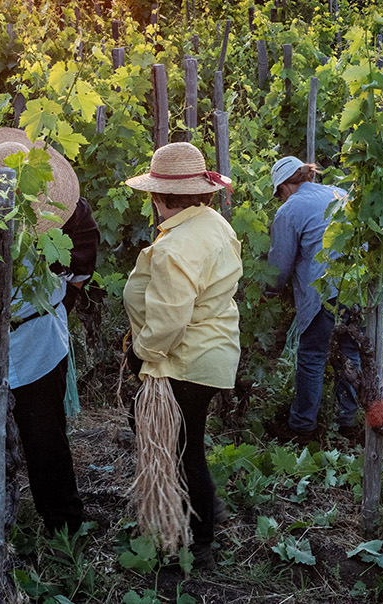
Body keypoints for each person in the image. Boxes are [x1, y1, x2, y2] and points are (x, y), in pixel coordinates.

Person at [0, 126, 88, 540]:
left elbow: (82, 268)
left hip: (38, 341)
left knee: (45, 439)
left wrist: (53, 302)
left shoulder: (69, 213)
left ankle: (64, 525)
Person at [122, 142, 241, 566]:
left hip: (183, 361)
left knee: (182, 450)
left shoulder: (176, 248)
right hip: (211, 351)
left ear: (158, 197)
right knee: (188, 444)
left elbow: (170, 320)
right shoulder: (213, 224)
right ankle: (201, 516)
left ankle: (199, 540)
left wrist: (141, 353)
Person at [265, 156, 360, 442]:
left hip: (324, 289)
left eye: (278, 193)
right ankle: (349, 421)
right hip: (358, 285)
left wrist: (268, 292)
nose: (279, 199)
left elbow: (279, 267)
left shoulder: (289, 210)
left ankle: (303, 426)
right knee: (352, 353)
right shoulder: (339, 193)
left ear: (283, 187)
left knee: (312, 357)